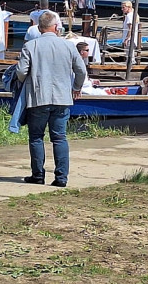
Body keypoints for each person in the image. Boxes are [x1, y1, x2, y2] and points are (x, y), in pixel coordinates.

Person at [15, 10, 87, 187]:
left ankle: (38, 175)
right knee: (59, 138)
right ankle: (61, 178)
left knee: (36, 137)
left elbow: (21, 72)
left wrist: (27, 82)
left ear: (39, 28)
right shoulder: (69, 46)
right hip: (62, 97)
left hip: (39, 97)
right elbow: (81, 71)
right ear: (56, 27)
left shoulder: (30, 46)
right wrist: (76, 87)